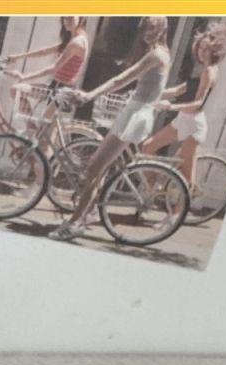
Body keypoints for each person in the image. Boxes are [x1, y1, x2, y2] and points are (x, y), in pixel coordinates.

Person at [50, 15, 171, 239]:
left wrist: (89, 95)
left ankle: (75, 223)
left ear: (163, 29)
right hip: (134, 111)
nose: (148, 32)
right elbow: (151, 86)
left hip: (135, 116)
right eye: (145, 27)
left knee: (94, 168)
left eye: (153, 28)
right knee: (100, 169)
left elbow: (120, 80)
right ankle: (90, 211)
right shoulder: (159, 53)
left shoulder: (156, 55)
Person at [141, 22, 226, 186]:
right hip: (183, 120)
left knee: (186, 178)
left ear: (215, 50)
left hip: (194, 126)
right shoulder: (203, 69)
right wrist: (150, 93)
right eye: (200, 48)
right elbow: (178, 90)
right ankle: (152, 190)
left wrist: (170, 107)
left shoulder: (209, 71)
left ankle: (178, 203)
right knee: (147, 147)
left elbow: (198, 103)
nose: (202, 52)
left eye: (206, 49)